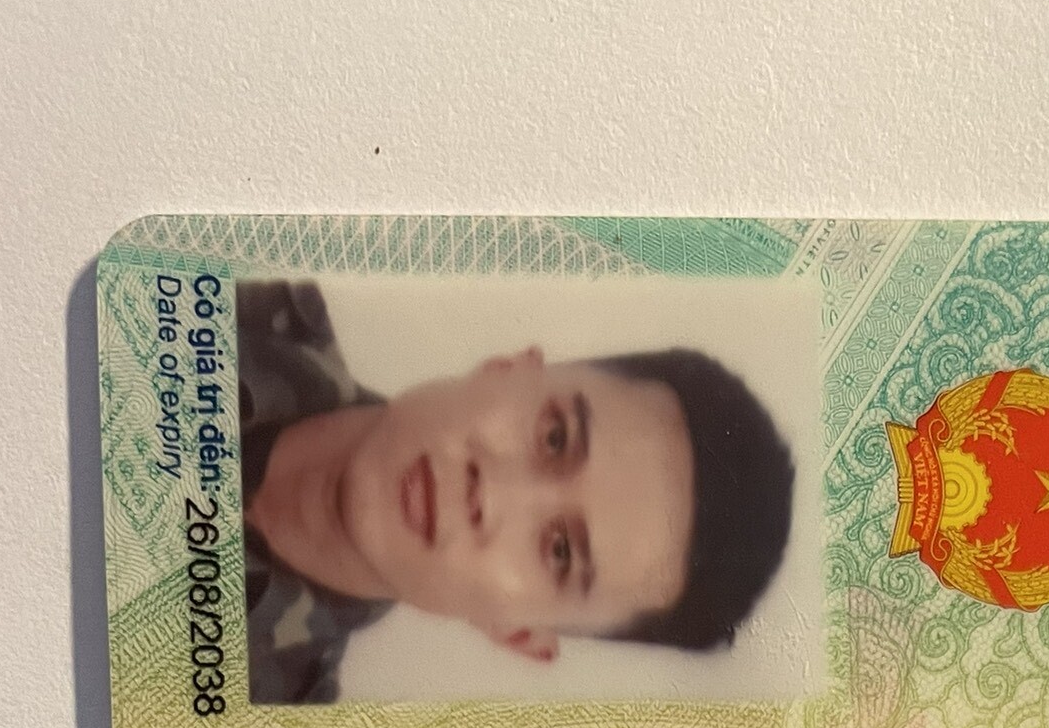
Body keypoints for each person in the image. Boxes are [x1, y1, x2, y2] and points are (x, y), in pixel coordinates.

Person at [237, 280, 796, 703]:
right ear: (507, 369)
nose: (493, 493)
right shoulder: (240, 276)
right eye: (555, 437)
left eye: (560, 551)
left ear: (519, 635)